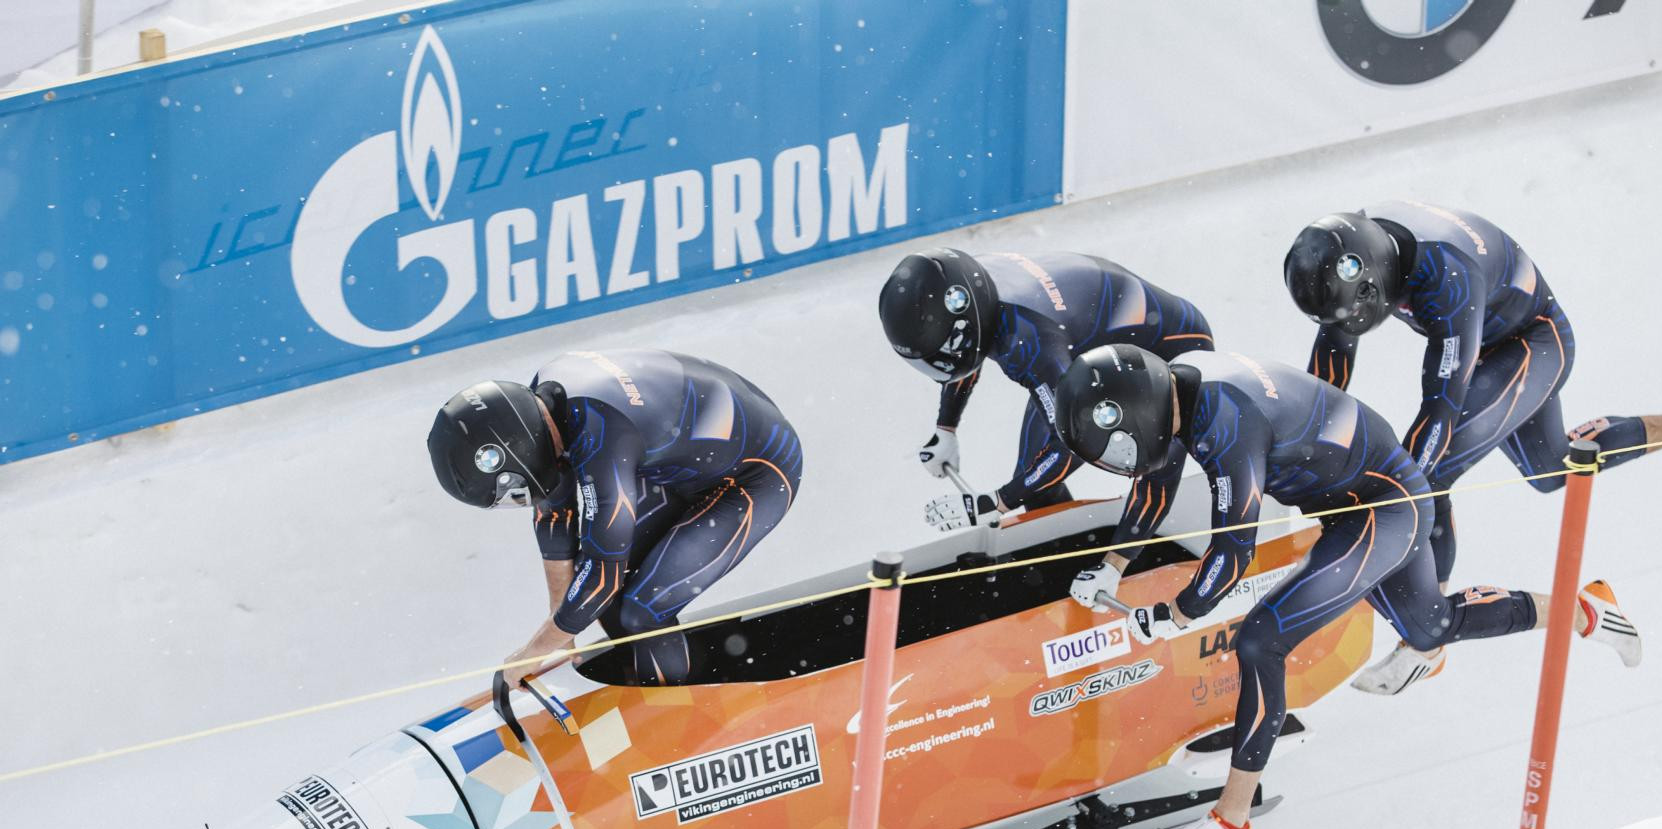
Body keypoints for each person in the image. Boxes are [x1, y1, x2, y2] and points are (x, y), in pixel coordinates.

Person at [1052, 346, 1642, 829]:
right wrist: (1113, 564)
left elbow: (1233, 550)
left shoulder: (1227, 421)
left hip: (1383, 507)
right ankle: (1587, 610)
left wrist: (1176, 614)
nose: (1124, 461)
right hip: (1366, 498)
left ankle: (1230, 824)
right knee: (1432, 624)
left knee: (1261, 640)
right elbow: (1156, 480)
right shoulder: (1183, 386)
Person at [1284, 203, 1662, 694]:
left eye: (1359, 315)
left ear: (1374, 279)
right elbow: (1326, 382)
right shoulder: (1355, 254)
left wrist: (1389, 495)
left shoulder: (1445, 277)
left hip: (1534, 340)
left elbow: (1441, 408)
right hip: (1494, 330)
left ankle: (1425, 644)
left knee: (1422, 475)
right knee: (1552, 468)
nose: (1353, 324)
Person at [427, 349, 802, 687]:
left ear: (518, 451)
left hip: (757, 474)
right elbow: (556, 513)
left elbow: (602, 578)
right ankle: (645, 684)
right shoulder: (543, 405)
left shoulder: (603, 436)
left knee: (643, 610)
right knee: (597, 599)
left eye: (512, 490)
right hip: (691, 455)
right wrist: (560, 630)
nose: (519, 499)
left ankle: (675, 719)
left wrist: (534, 650)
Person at [878, 248, 1215, 608]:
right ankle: (1070, 572)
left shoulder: (1028, 340)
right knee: (1034, 481)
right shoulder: (972, 287)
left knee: (1151, 464)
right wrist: (947, 426)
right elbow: (965, 350)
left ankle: (1118, 568)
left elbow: (1071, 444)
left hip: (1170, 350)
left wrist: (997, 502)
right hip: (1084, 348)